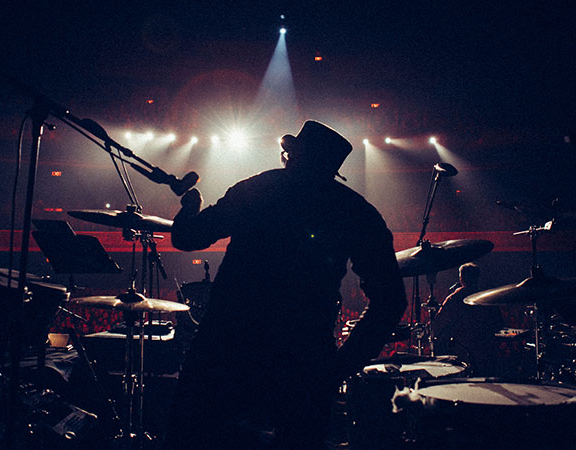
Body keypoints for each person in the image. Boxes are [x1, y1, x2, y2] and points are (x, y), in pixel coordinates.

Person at [166, 120, 407, 450]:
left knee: (194, 438)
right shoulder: (357, 212)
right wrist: (341, 367)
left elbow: (187, 237)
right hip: (304, 357)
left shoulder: (258, 188)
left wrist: (190, 206)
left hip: (227, 346)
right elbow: (391, 301)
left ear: (291, 155)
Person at [432, 262, 504, 375]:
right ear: (477, 278)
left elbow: (439, 323)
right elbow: (499, 324)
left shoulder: (453, 299)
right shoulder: (487, 298)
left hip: (461, 352)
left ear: (461, 278)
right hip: (486, 352)